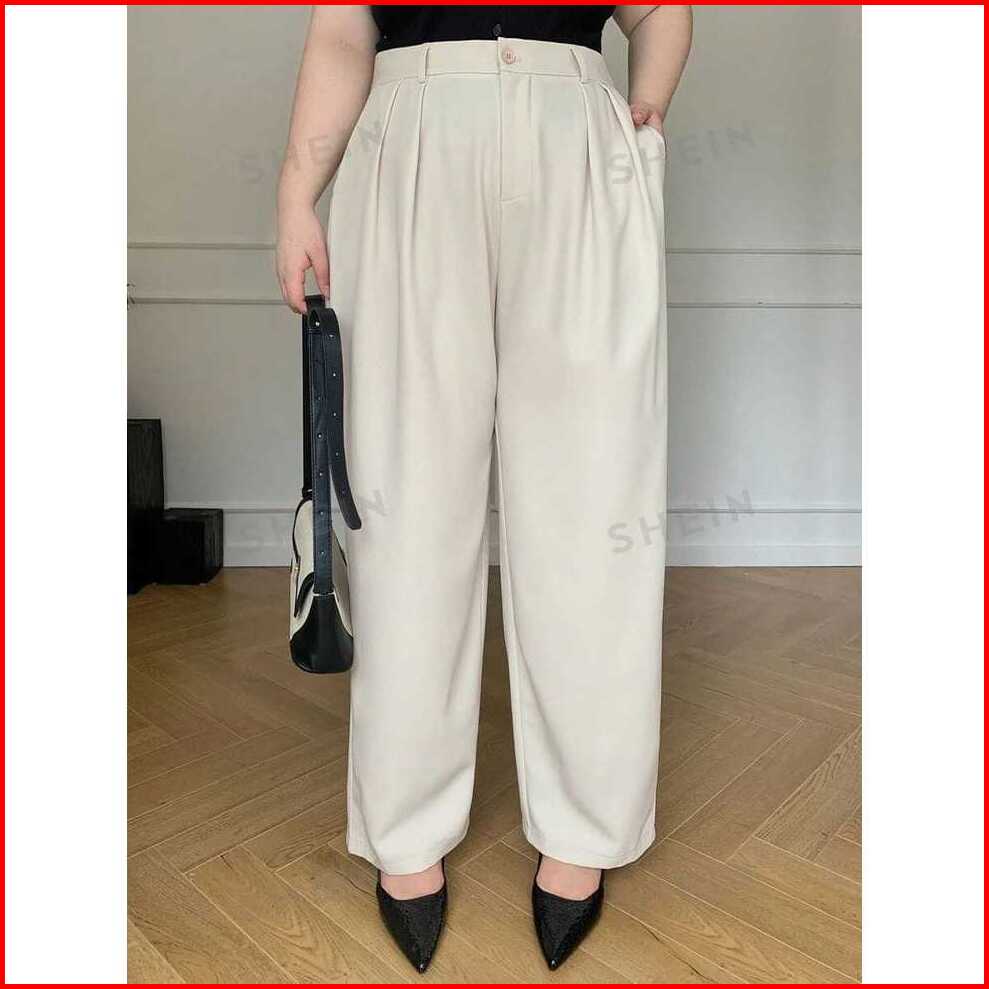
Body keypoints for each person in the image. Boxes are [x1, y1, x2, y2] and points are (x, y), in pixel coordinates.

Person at [276, 4, 692, 973]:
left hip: (577, 140)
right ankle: (404, 828)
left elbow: (657, 8)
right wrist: (297, 194)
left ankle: (585, 825)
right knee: (402, 502)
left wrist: (644, 110)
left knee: (595, 494)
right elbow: (341, 33)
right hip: (407, 141)